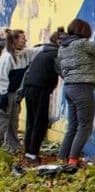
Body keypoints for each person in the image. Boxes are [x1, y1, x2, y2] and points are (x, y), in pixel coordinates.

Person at [56, 18, 95, 171]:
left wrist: (90, 65)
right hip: (82, 88)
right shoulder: (81, 43)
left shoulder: (63, 47)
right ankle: (72, 162)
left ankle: (62, 157)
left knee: (73, 126)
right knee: (85, 126)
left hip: (69, 88)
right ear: (84, 31)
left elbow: (70, 65)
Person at [21, 29, 62, 166]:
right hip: (40, 89)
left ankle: (28, 152)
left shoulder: (43, 52)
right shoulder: (56, 54)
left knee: (31, 121)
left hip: (30, 87)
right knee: (40, 122)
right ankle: (33, 154)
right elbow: (63, 71)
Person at [0, 28, 31, 153]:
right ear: (15, 40)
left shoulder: (23, 55)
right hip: (6, 93)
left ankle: (12, 146)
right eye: (23, 38)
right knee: (3, 121)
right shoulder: (7, 57)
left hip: (15, 93)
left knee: (13, 120)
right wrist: (3, 95)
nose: (25, 40)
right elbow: (2, 77)